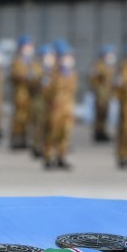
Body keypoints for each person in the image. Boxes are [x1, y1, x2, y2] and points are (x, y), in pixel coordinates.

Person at [43, 41, 79, 170]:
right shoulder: (52, 74)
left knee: (65, 134)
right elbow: (47, 93)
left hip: (67, 109)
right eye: (65, 57)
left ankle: (61, 157)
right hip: (55, 110)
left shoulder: (71, 74)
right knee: (52, 133)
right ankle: (48, 157)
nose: (68, 60)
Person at [8, 35, 36, 150]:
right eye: (26, 47)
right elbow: (14, 75)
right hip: (21, 93)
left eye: (30, 47)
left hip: (31, 94)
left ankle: (26, 139)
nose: (28, 50)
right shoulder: (16, 62)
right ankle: (17, 140)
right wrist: (25, 76)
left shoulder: (33, 62)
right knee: (19, 118)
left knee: (30, 118)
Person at [30, 44, 56, 159]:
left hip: (52, 103)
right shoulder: (37, 69)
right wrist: (40, 78)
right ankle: (37, 146)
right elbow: (32, 84)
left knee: (50, 126)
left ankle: (48, 147)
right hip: (39, 101)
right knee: (38, 125)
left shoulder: (55, 70)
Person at [88, 44, 115, 144]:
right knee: (99, 114)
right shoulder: (98, 66)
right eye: (109, 54)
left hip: (106, 94)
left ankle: (102, 131)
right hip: (100, 94)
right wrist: (97, 89)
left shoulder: (109, 66)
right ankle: (98, 133)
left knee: (104, 114)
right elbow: (92, 80)